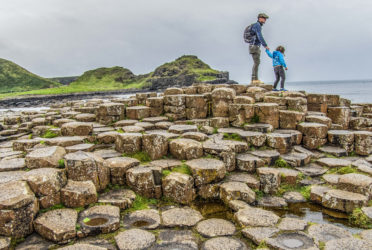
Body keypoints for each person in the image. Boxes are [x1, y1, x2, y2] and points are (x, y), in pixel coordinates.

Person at [244, 13, 269, 83]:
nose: (265, 20)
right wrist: (265, 45)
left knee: (256, 62)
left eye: (265, 19)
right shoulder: (257, 25)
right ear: (259, 18)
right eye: (264, 18)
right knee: (256, 62)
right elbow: (259, 35)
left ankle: (254, 79)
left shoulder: (256, 25)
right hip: (254, 46)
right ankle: (255, 79)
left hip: (253, 46)